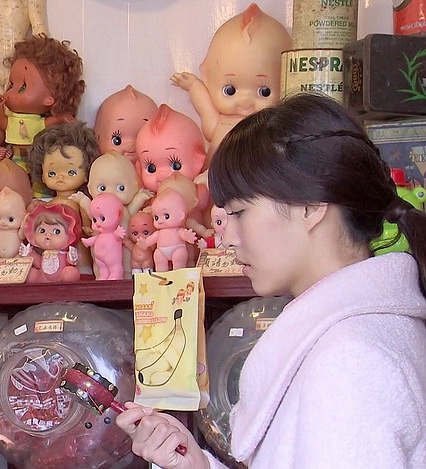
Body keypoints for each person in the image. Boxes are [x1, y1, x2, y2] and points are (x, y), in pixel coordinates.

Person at [117, 93, 426, 468]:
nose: (227, 237)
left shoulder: (350, 361)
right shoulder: (363, 334)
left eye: (239, 212)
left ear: (310, 208)